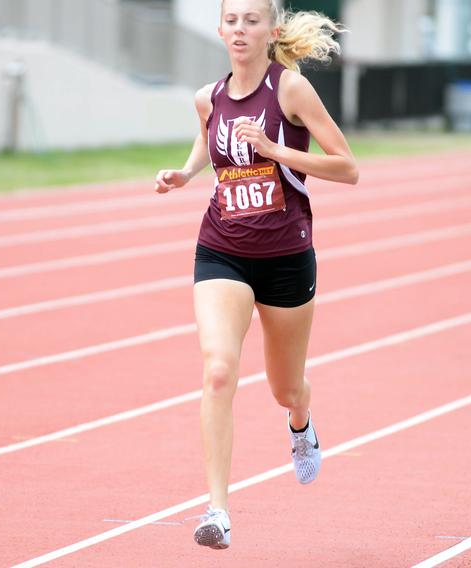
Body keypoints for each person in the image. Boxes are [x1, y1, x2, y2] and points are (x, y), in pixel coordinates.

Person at [153, 0, 358, 550]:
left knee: (284, 386)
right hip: (221, 248)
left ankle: (301, 420)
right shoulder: (209, 97)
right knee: (219, 370)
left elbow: (347, 166)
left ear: (271, 30)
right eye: (231, 20)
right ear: (220, 29)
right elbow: (207, 135)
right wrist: (186, 172)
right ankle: (217, 510)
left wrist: (275, 151)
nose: (240, 30)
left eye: (251, 20)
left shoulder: (289, 90)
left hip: (287, 257)